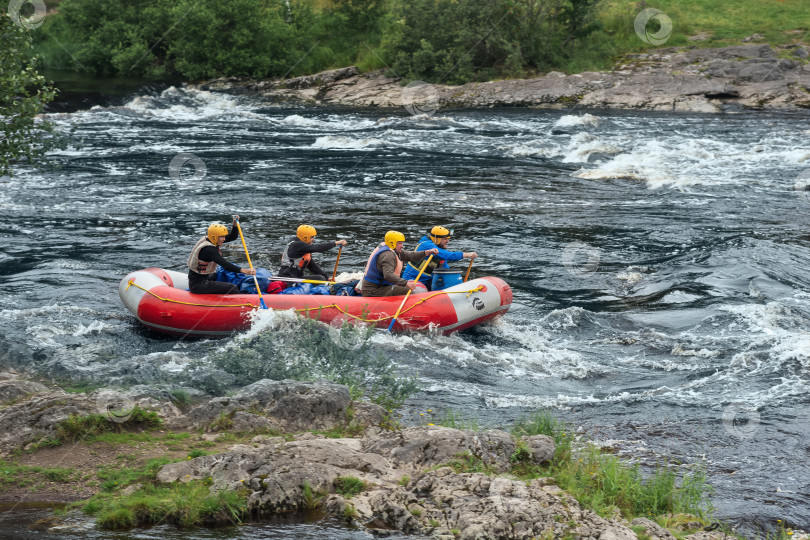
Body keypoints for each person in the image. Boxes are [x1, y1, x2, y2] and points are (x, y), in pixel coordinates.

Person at [187, 215, 255, 294]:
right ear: (214, 237)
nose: (224, 239)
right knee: (232, 288)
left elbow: (232, 237)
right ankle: (241, 302)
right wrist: (244, 271)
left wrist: (235, 225)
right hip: (198, 285)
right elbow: (225, 264)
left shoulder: (210, 239)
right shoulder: (209, 249)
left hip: (202, 279)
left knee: (220, 274)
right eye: (222, 237)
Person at [360, 231, 439, 297]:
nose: (402, 246)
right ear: (392, 243)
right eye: (400, 243)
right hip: (373, 290)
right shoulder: (388, 255)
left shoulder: (394, 250)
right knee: (407, 290)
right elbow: (388, 275)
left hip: (381, 286)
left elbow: (409, 256)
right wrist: (405, 283)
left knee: (404, 287)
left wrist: (426, 253)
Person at [401, 226, 477, 290]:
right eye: (445, 239)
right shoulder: (427, 246)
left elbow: (445, 270)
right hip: (412, 281)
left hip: (427, 282)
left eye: (448, 238)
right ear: (436, 239)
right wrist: (467, 255)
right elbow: (449, 256)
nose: (448, 241)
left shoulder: (440, 253)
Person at [278, 224, 347, 281]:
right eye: (312, 237)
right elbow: (317, 247)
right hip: (287, 278)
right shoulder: (297, 245)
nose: (313, 240)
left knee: (321, 277)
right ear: (305, 237)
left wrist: (327, 278)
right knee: (320, 278)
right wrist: (335, 243)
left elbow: (312, 267)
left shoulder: (303, 248)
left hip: (295, 277)